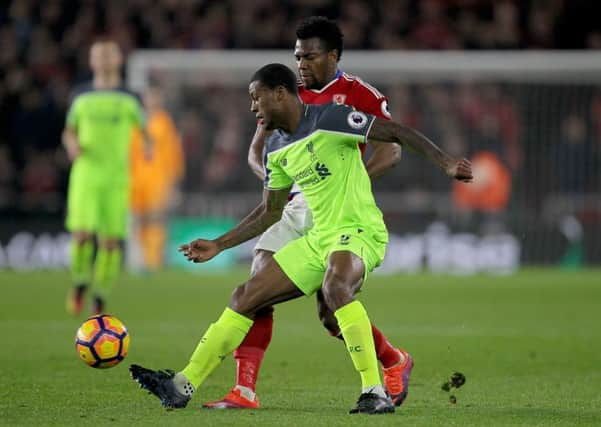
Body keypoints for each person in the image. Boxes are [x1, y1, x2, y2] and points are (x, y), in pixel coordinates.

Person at [129, 63, 473, 414]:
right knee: (245, 295)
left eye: (256, 99)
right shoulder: (275, 149)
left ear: (280, 94)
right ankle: (181, 385)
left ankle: (375, 391)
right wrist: (220, 244)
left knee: (335, 287)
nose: (252, 108)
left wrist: (445, 163)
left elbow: (397, 133)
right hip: (319, 237)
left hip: (358, 229)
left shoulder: (333, 118)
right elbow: (270, 213)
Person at [204, 16, 409, 410]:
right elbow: (256, 150)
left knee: (331, 310)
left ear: (332, 56)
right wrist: (280, 182)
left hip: (336, 208)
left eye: (309, 56)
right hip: (292, 206)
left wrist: (344, 182)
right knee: (257, 284)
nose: (301, 64)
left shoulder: (358, 94)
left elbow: (393, 147)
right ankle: (244, 389)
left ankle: (393, 360)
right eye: (297, 56)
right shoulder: (284, 92)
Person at [64, 39, 151, 316]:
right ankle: (79, 283)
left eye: (108, 54)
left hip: (116, 178)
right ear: (91, 61)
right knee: (81, 235)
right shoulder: (80, 96)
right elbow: (68, 131)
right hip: (86, 174)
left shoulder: (130, 97)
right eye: (98, 54)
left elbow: (146, 131)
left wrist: (148, 147)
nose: (102, 59)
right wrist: (72, 145)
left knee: (110, 241)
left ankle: (100, 295)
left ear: (118, 60)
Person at [130, 85, 184, 272]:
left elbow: (173, 154)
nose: (152, 101)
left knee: (155, 220)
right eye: (149, 97)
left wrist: (173, 181)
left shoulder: (164, 122)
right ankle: (141, 259)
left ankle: (153, 260)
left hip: (158, 179)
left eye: (156, 97)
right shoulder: (136, 121)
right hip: (136, 180)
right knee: (139, 220)